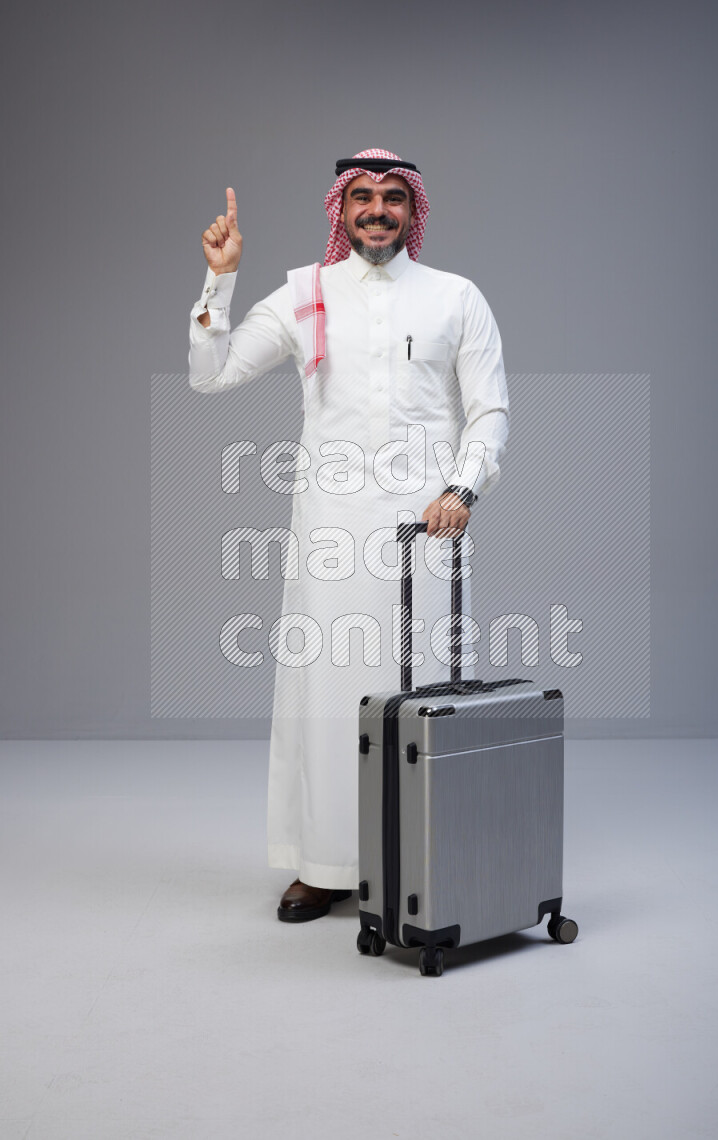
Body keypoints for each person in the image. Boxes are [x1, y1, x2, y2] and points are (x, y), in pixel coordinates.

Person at [188, 148, 509, 921]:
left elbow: (489, 411)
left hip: (426, 529)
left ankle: (422, 855)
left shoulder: (455, 297)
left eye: (392, 197)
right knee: (327, 698)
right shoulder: (308, 292)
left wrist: (464, 487)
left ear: (413, 210)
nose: (376, 209)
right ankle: (325, 864)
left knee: (422, 690)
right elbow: (212, 374)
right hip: (330, 527)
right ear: (341, 208)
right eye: (361, 196)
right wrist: (220, 279)